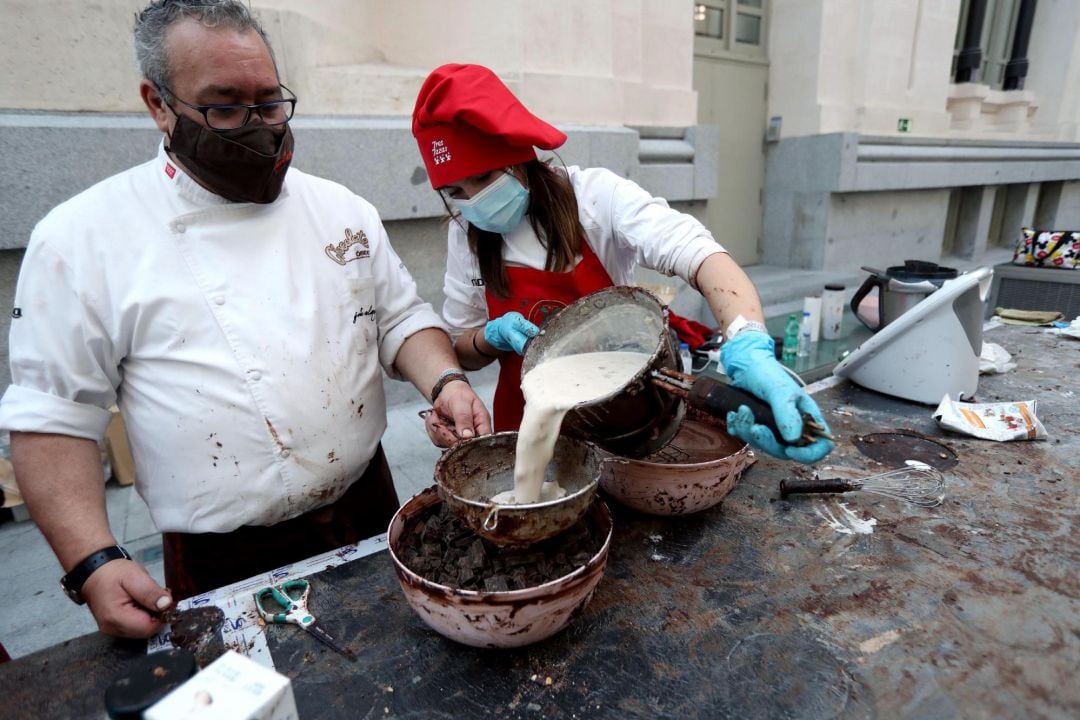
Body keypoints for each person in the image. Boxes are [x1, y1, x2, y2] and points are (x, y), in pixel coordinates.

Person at [0, 0, 489, 639]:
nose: (258, 126)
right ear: (158, 103)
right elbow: (54, 415)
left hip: (370, 507)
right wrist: (93, 559)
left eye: (269, 102)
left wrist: (446, 382)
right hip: (219, 554)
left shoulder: (341, 210)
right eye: (225, 106)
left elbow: (400, 321)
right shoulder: (81, 239)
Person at [411, 63, 832, 464]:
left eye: (484, 178)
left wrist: (749, 345)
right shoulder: (465, 235)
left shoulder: (595, 199)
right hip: (526, 423)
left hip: (615, 415)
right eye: (456, 192)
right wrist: (489, 336)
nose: (473, 201)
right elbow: (461, 348)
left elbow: (702, 257)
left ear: (518, 158)